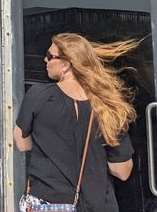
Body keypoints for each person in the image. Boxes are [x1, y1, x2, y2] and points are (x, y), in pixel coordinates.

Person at [14, 33, 140, 212]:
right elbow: (122, 171)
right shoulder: (107, 105)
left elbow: (22, 143)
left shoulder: (38, 95)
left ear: (66, 64)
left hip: (48, 202)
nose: (45, 59)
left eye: (50, 56)